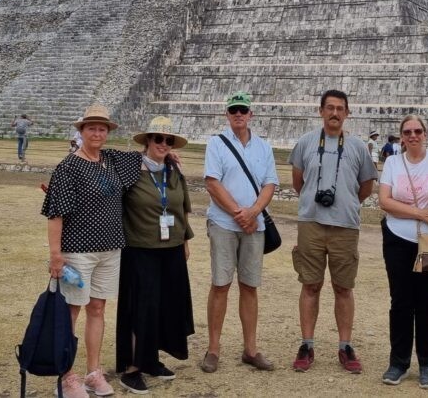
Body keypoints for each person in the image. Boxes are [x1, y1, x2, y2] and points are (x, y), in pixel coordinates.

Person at [42, 104, 144, 398]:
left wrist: (168, 156)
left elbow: (145, 158)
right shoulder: (69, 167)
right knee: (71, 312)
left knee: (98, 308)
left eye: (102, 129)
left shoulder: (111, 160)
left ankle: (93, 372)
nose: (97, 133)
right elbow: (55, 213)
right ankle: (66, 375)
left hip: (110, 249)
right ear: (82, 131)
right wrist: (55, 255)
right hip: (78, 251)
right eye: (91, 128)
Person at [289, 89, 378, 375]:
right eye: (330, 107)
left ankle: (345, 345)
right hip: (311, 223)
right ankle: (307, 344)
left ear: (347, 113)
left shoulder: (358, 147)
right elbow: (298, 183)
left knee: (343, 287)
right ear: (321, 111)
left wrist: (345, 203)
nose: (335, 113)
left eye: (340, 108)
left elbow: (366, 186)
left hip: (345, 225)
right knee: (310, 284)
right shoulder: (305, 142)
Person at [115, 117, 195, 394]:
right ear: (148, 140)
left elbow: (183, 207)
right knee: (140, 308)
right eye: (158, 138)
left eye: (168, 140)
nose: (163, 144)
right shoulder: (130, 168)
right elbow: (102, 156)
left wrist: (185, 240)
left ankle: (150, 359)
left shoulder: (173, 171)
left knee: (165, 306)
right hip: (140, 249)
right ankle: (131, 368)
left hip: (171, 248)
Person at [201, 91, 278, 375]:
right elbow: (212, 183)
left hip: (254, 224)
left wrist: (254, 212)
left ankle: (251, 349)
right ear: (227, 114)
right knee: (220, 285)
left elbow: (270, 184)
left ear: (250, 114)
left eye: (242, 110)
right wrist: (241, 214)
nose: (238, 114)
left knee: (249, 286)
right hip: (224, 223)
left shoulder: (263, 147)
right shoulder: (216, 144)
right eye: (233, 110)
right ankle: (213, 348)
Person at [377, 115, 428, 389]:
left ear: (426, 133)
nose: (413, 135)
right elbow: (385, 201)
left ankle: (427, 364)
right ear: (401, 136)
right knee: (400, 301)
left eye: (418, 131)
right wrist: (421, 213)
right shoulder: (394, 162)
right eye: (407, 132)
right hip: (397, 239)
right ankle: (399, 362)